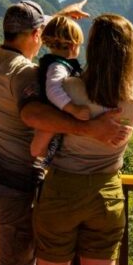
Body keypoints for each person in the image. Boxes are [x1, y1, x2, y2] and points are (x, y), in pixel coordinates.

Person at [0, 0, 130, 265]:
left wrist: (60, 17)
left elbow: (33, 31)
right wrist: (86, 127)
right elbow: (32, 113)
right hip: (12, 189)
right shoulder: (24, 72)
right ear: (36, 35)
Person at [23, 16, 133, 265]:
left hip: (61, 191)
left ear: (92, 48)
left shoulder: (68, 90)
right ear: (129, 50)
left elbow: (37, 149)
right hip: (106, 194)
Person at [30, 15, 90, 162]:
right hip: (53, 115)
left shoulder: (54, 63)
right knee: (48, 149)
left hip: (53, 114)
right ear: (72, 45)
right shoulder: (58, 67)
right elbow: (53, 91)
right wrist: (73, 109)